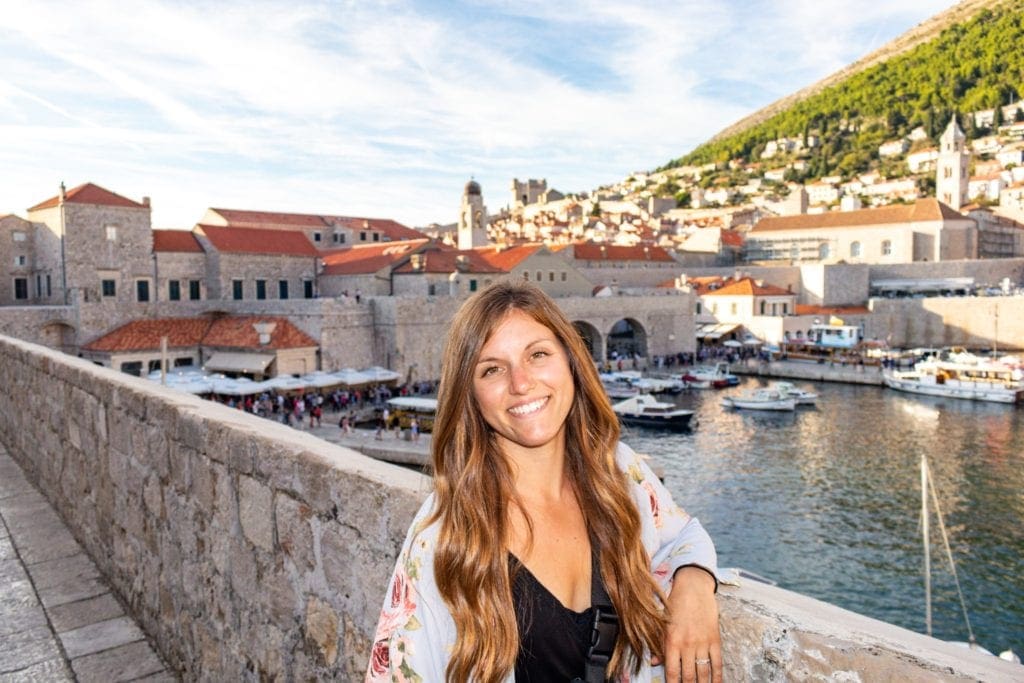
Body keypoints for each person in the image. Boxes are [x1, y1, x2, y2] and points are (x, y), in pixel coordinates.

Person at [367, 282, 721, 683]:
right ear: (470, 395)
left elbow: (683, 534)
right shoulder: (445, 536)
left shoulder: (618, 472)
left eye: (538, 354)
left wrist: (694, 585)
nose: (521, 383)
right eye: (492, 369)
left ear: (571, 362)